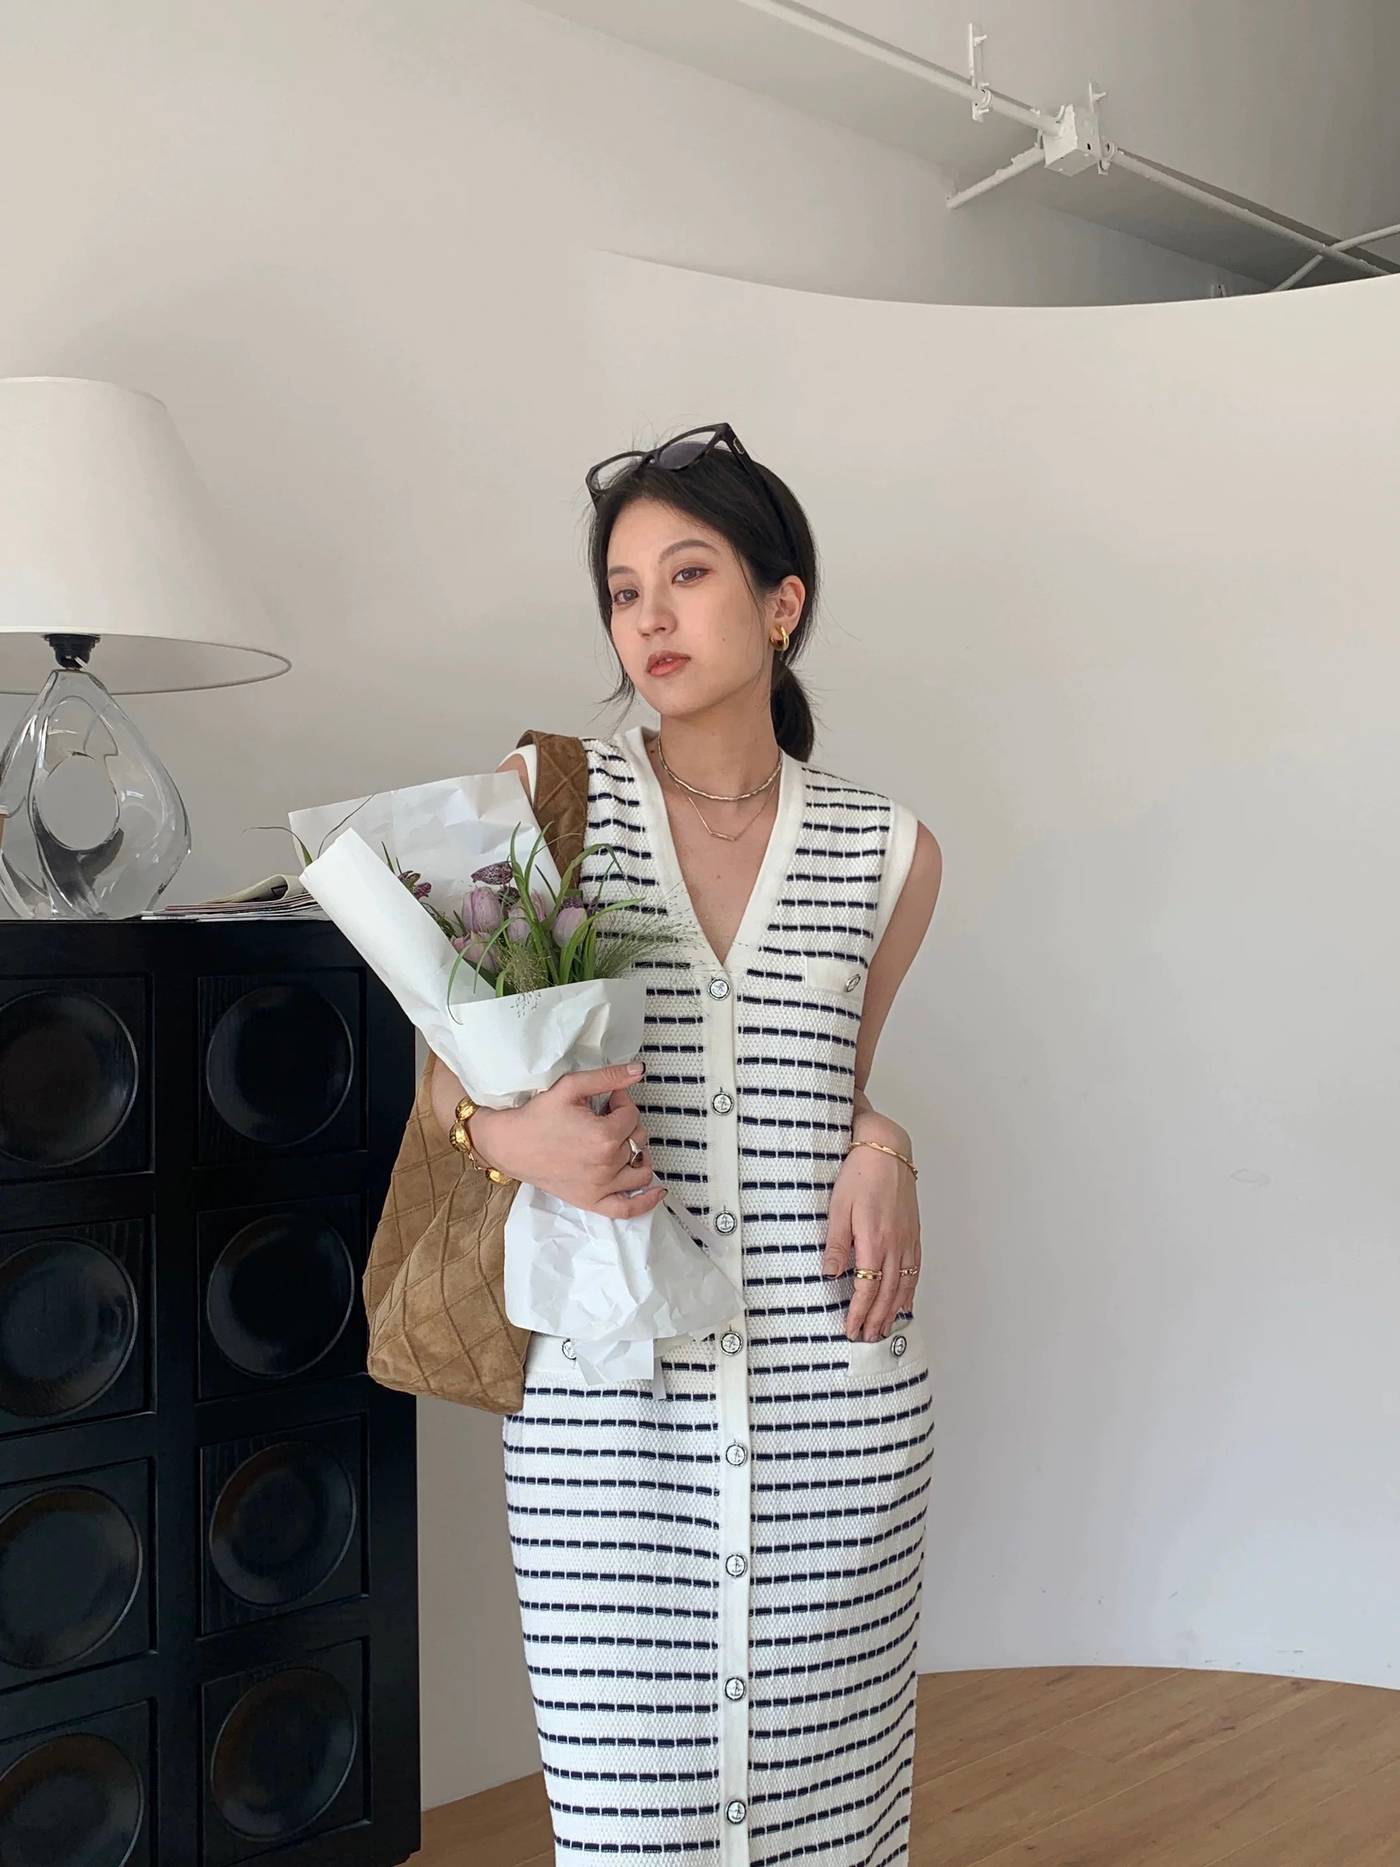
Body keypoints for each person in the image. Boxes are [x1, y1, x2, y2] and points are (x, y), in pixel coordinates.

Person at [431, 423, 942, 1865]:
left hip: (831, 1400)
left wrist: (887, 1145)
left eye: (689, 573)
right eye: (622, 590)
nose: (648, 616)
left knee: (834, 1818)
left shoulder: (891, 850)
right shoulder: (546, 803)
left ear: (783, 604)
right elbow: (445, 1090)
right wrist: (510, 1139)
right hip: (611, 1407)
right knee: (629, 1820)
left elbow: (839, 1087)